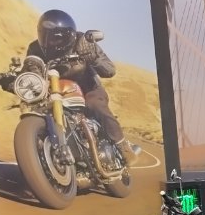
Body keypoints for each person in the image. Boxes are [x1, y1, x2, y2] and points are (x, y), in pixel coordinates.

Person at [25, 9, 140, 165]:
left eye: (57, 37)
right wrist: (9, 79)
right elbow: (29, 70)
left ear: (68, 35)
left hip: (88, 88)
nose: (51, 42)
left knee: (95, 104)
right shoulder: (34, 49)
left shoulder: (83, 42)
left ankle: (122, 146)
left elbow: (110, 70)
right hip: (55, 90)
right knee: (39, 108)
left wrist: (93, 58)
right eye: (47, 36)